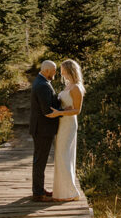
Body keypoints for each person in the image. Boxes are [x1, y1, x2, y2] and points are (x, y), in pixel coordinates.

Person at [46, 58, 85, 201]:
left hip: (69, 123)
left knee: (64, 156)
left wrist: (60, 113)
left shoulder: (76, 88)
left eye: (62, 69)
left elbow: (77, 110)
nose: (60, 72)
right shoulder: (68, 85)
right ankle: (62, 191)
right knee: (60, 156)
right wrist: (60, 110)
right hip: (62, 123)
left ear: (69, 70)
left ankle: (70, 192)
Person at [29, 59, 61, 202]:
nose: (55, 73)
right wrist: (64, 111)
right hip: (42, 129)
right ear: (47, 70)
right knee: (40, 161)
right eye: (54, 71)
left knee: (40, 160)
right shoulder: (42, 85)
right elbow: (47, 111)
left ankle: (39, 189)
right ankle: (38, 193)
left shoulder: (42, 82)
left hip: (41, 128)